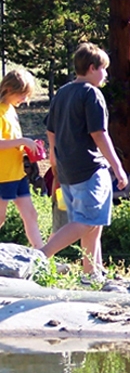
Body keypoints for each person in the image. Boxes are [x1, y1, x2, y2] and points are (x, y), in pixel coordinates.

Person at [41, 43, 128, 281]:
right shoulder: (91, 94)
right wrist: (117, 167)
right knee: (86, 221)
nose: (106, 74)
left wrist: (54, 158)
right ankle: (39, 256)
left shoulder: (62, 92)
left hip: (67, 168)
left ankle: (92, 273)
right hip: (90, 167)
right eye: (103, 69)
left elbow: (50, 129)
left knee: (94, 222)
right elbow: (99, 133)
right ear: (92, 68)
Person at [0, 69, 44, 249]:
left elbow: (12, 140)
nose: (25, 100)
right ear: (9, 89)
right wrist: (22, 141)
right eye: (22, 95)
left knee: (30, 214)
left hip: (17, 174)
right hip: (3, 175)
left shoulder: (11, 110)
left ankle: (42, 255)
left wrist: (27, 147)